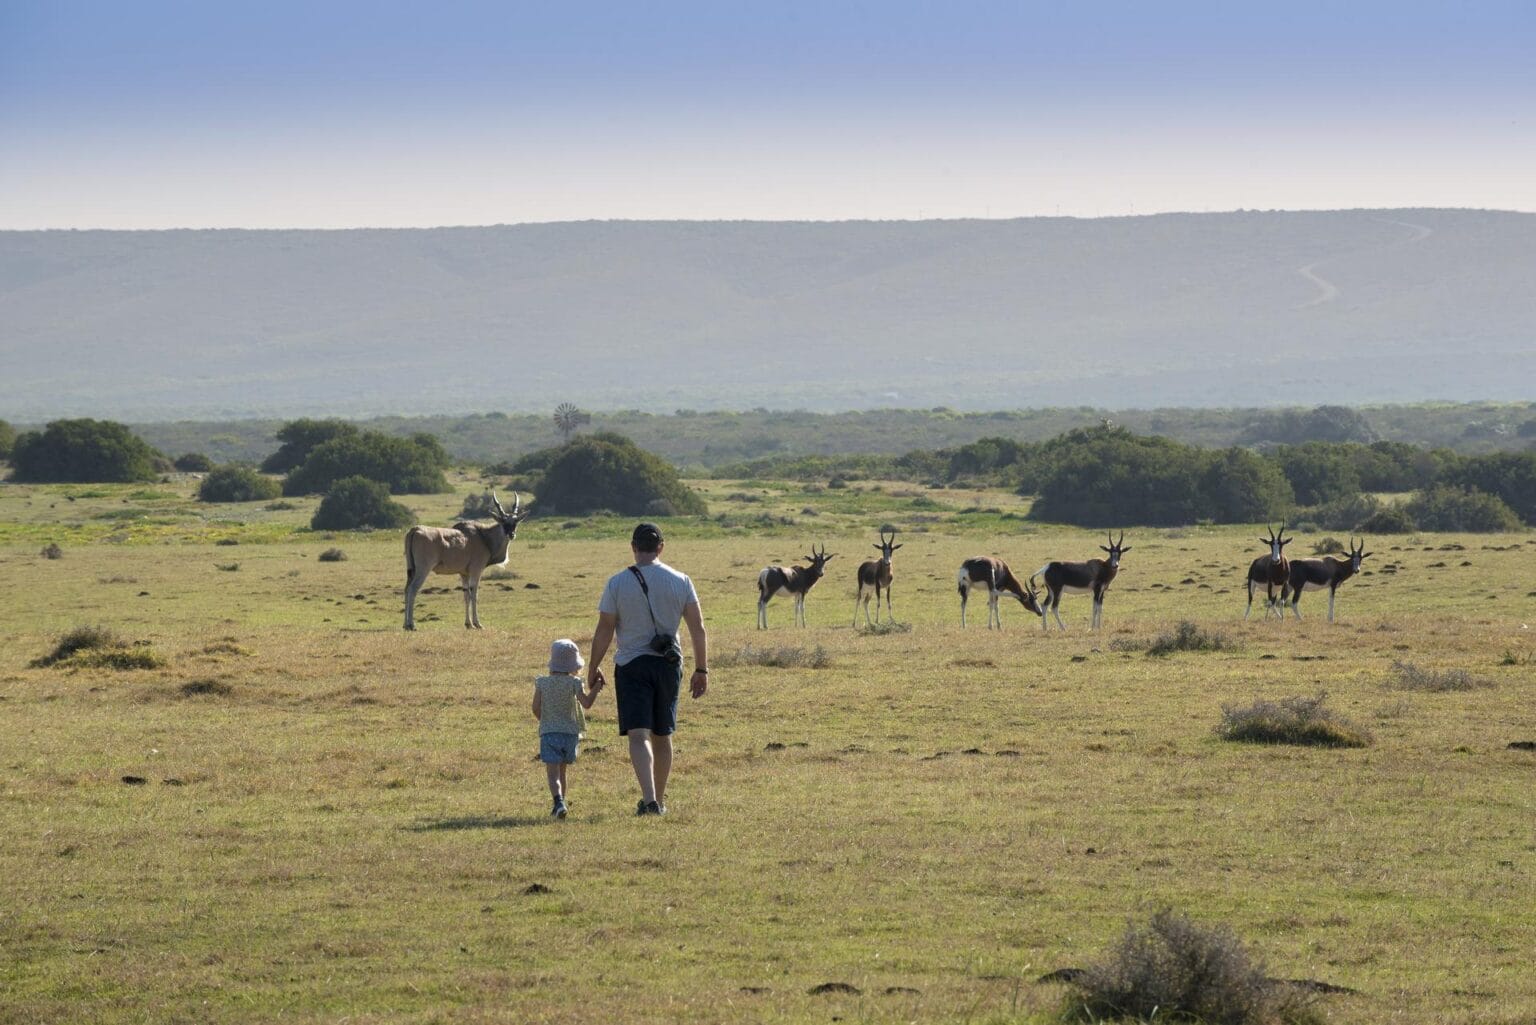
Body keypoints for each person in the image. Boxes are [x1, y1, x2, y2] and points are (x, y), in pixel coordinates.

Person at [588, 522, 709, 816]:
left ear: (633, 547)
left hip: (631, 665)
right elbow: (698, 628)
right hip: (669, 665)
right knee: (663, 733)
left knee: (638, 734)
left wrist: (592, 668)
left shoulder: (617, 583)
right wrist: (702, 669)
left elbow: (604, 630)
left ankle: (649, 799)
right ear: (661, 548)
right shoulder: (681, 580)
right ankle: (661, 799)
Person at [532, 638, 602, 819]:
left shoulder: (542, 683)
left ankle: (558, 802)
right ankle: (562, 803)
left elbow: (535, 708)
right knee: (563, 771)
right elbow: (586, 704)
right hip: (570, 735)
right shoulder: (574, 683)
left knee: (552, 773)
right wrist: (597, 688)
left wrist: (545, 720)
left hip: (549, 734)